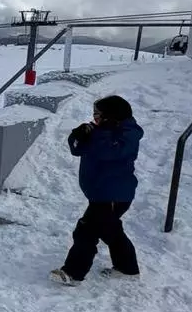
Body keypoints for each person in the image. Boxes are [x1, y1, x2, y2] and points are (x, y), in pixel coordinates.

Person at [50, 95, 143, 286]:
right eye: (94, 115)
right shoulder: (103, 132)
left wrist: (100, 133)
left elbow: (109, 152)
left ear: (111, 116)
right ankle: (127, 268)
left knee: (86, 230)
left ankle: (73, 273)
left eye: (99, 116)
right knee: (111, 230)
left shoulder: (128, 134)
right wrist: (78, 135)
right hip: (101, 193)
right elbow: (77, 150)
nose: (95, 120)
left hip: (114, 195)